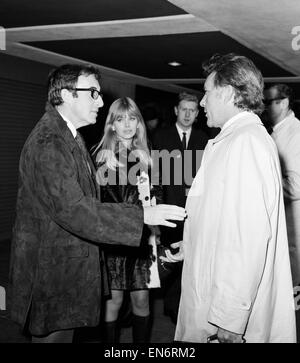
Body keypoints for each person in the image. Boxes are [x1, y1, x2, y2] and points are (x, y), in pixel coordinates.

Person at [8, 64, 186, 343]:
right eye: (93, 93)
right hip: (53, 273)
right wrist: (141, 215)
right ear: (67, 95)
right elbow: (75, 210)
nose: (101, 102)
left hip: (69, 264)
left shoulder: (69, 136)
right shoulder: (50, 142)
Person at [163, 54, 296, 343]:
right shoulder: (231, 139)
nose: (201, 102)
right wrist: (193, 244)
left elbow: (247, 238)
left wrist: (231, 318)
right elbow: (222, 219)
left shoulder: (246, 142)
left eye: (207, 93)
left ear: (226, 93)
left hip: (224, 314)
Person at [94, 97, 162, 343]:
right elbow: (98, 206)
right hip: (113, 239)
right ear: (112, 124)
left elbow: (156, 192)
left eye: (132, 118)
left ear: (139, 123)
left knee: (142, 300)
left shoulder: (146, 155)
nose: (127, 124)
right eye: (120, 119)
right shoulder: (102, 158)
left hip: (142, 238)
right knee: (114, 301)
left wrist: (154, 200)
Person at [153, 92, 209, 324]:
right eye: (183, 109)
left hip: (193, 211)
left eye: (192, 110)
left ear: (197, 114)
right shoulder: (160, 137)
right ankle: (169, 303)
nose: (187, 114)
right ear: (176, 110)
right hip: (167, 210)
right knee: (169, 260)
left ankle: (176, 307)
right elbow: (154, 175)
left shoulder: (205, 139)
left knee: (189, 261)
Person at [264, 84, 300, 288]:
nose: (263, 107)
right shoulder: (277, 132)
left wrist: (261, 188)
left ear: (284, 103)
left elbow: (296, 185)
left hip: (292, 229)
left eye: (267, 102)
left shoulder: (295, 134)